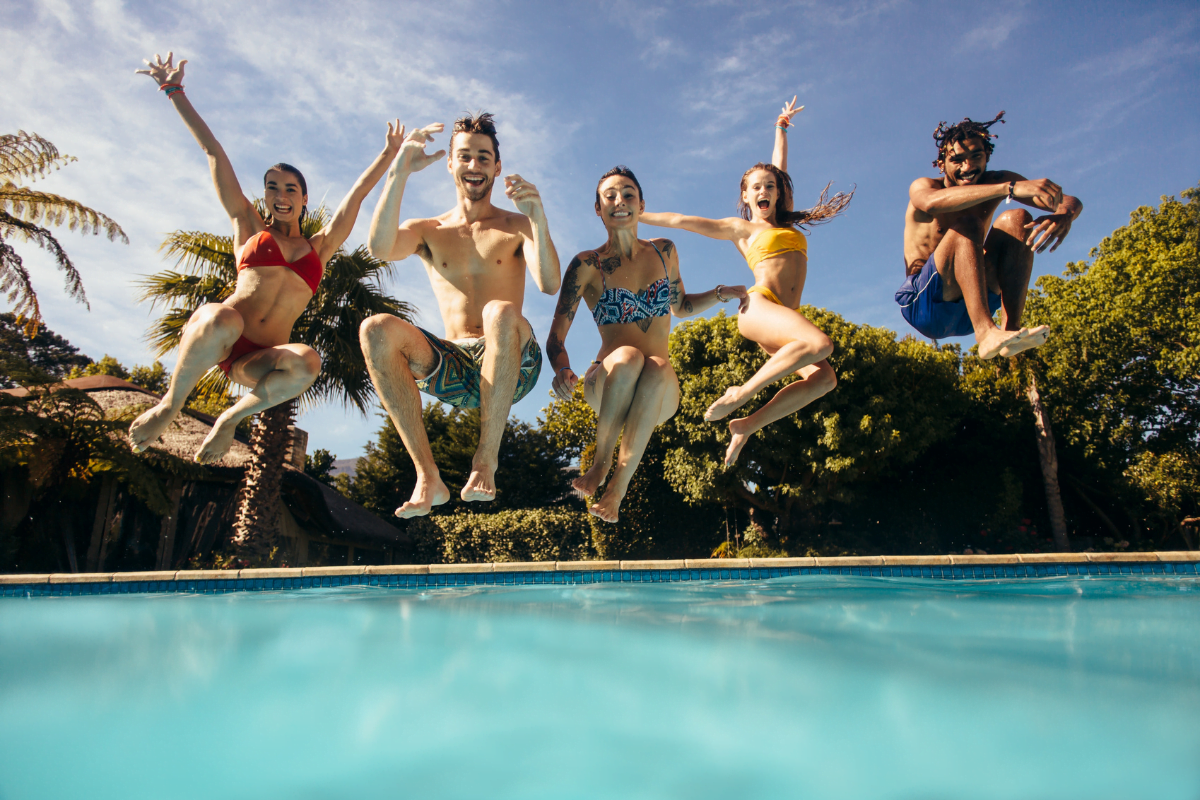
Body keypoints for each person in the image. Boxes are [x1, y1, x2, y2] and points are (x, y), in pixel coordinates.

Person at [128, 52, 429, 463]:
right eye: (273, 187)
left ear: (304, 199)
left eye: (290, 189)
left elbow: (356, 196)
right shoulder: (249, 226)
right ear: (265, 194)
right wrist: (173, 90)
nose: (280, 195)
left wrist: (390, 152)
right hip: (220, 338)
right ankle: (169, 405)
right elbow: (214, 152)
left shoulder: (319, 247)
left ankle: (230, 420)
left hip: (256, 361)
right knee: (223, 316)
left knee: (308, 360)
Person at [361, 112, 561, 517]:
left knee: (500, 310)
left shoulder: (516, 224)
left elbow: (549, 283)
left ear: (497, 166)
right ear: (450, 162)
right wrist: (399, 170)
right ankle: (427, 476)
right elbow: (380, 247)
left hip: (514, 362)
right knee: (375, 329)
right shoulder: (429, 229)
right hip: (454, 370)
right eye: (465, 157)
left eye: (484, 158)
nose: (474, 166)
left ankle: (486, 459)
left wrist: (538, 218)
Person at [640, 98, 851, 466]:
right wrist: (638, 215)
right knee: (820, 343)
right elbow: (681, 219)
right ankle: (742, 391)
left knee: (824, 381)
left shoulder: (783, 222)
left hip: (784, 317)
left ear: (779, 191)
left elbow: (778, 166)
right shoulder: (741, 228)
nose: (763, 191)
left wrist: (781, 128)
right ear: (745, 195)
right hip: (760, 306)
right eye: (755, 187)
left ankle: (746, 425)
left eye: (769, 186)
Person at [548, 167, 747, 523]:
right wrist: (562, 369)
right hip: (608, 382)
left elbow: (681, 306)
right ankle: (600, 464)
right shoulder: (586, 265)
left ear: (641, 204)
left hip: (659, 391)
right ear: (598, 208)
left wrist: (719, 294)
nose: (619, 201)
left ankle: (617, 489)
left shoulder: (664, 251)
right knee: (627, 356)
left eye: (628, 194)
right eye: (609, 195)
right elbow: (556, 337)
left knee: (654, 364)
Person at [897, 111, 1083, 358]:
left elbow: (1066, 200)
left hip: (973, 305)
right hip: (926, 306)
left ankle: (1010, 332)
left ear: (987, 157)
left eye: (976, 156)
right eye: (958, 160)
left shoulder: (997, 179)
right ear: (942, 164)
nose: (968, 167)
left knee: (1017, 219)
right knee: (969, 225)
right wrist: (1008, 189)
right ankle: (985, 333)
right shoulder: (925, 185)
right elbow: (931, 203)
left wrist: (1064, 215)